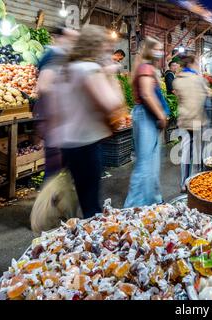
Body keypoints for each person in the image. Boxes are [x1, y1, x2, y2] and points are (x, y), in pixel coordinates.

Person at [52, 25, 125, 218]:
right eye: (104, 45)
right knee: (91, 206)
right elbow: (112, 103)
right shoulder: (89, 69)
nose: (107, 50)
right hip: (86, 143)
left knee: (82, 198)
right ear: (96, 46)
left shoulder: (66, 69)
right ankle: (92, 243)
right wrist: (111, 75)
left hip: (68, 142)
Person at [125, 37, 169, 207]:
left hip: (146, 115)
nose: (161, 52)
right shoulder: (145, 68)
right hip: (145, 115)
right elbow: (146, 94)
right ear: (150, 50)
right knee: (144, 162)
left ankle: (154, 200)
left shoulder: (147, 67)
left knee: (151, 161)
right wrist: (161, 116)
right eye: (158, 48)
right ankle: (132, 207)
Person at [35, 27, 79, 180]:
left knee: (63, 168)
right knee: (54, 170)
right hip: (55, 125)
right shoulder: (53, 56)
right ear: (59, 38)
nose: (74, 43)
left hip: (64, 125)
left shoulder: (64, 57)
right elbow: (43, 87)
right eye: (71, 39)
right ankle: (47, 203)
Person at [173, 55, 210, 192]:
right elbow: (208, 94)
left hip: (184, 120)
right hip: (197, 120)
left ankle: (184, 182)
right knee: (197, 152)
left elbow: (179, 97)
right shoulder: (198, 79)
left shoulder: (178, 80)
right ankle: (195, 182)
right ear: (193, 64)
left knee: (186, 152)